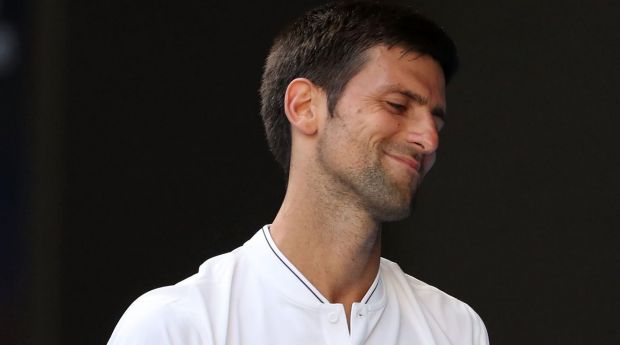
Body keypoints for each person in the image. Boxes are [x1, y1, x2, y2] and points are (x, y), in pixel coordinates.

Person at [108, 1, 489, 344]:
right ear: (305, 106)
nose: (429, 140)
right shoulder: (176, 326)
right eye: (397, 105)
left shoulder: (454, 329)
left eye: (436, 122)